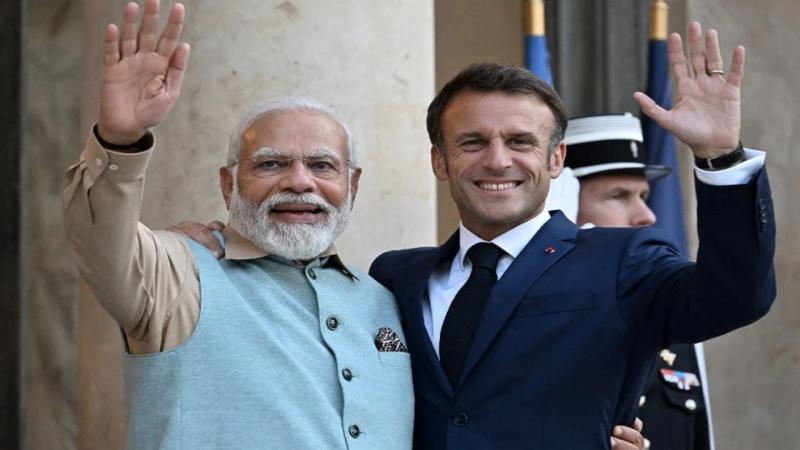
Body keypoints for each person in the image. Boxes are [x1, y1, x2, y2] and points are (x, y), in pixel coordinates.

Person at [367, 22, 775, 450]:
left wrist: (720, 158)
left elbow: (736, 295)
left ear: (556, 158)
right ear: (439, 161)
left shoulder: (622, 262)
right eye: (472, 142)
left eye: (520, 141)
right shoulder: (396, 278)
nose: (498, 160)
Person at [63, 1, 414, 448]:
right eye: (271, 164)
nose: (299, 181)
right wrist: (119, 140)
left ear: (353, 185)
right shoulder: (179, 275)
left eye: (322, 165)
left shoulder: (382, 299)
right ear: (228, 185)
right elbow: (100, 243)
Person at [561, 113, 717, 450]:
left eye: (643, 196)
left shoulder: (667, 311)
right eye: (618, 196)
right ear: (563, 202)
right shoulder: (531, 322)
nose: (647, 216)